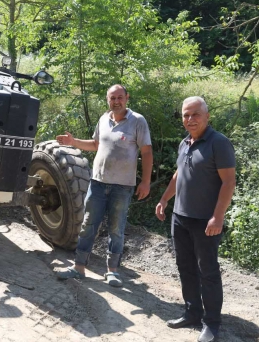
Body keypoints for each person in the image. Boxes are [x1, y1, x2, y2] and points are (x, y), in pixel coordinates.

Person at [155, 97, 236, 342]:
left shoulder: (218, 143)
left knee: (208, 272)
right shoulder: (185, 143)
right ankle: (192, 313)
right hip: (180, 218)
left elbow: (229, 182)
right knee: (185, 267)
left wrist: (217, 217)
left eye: (195, 114)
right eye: (185, 115)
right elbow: (179, 174)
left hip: (205, 222)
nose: (190, 119)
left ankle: (211, 323)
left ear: (207, 116)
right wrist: (164, 200)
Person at [55, 84, 153, 287]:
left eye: (119, 97)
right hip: (98, 183)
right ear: (108, 100)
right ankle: (79, 268)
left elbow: (146, 152)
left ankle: (113, 272)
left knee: (116, 229)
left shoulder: (137, 121)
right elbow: (95, 145)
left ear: (127, 97)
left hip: (122, 187)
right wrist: (73, 142)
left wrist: (145, 182)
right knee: (88, 225)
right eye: (112, 98)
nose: (116, 101)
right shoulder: (103, 119)